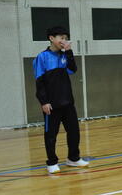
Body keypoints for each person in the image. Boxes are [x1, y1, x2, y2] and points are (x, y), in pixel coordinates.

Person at [34, 26, 90, 174]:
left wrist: (69, 52)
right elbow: (39, 82)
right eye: (61, 37)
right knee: (51, 135)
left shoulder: (64, 56)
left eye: (66, 38)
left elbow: (73, 69)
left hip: (67, 102)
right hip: (51, 105)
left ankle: (73, 158)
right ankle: (52, 162)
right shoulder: (42, 57)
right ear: (51, 38)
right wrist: (44, 101)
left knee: (74, 132)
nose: (64, 40)